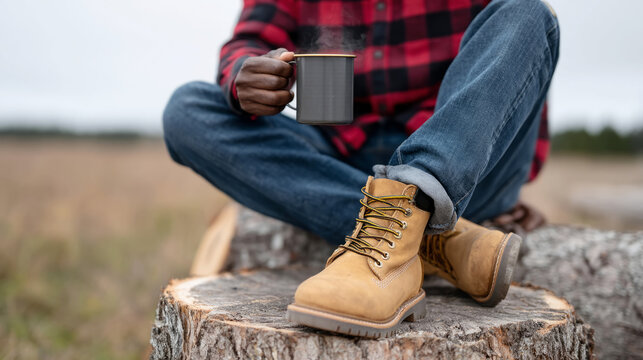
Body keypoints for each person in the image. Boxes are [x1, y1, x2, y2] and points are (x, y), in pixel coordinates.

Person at [163, 0, 559, 337]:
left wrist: (514, 171)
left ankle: (413, 207)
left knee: (528, 12)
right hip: (342, 152)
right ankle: (439, 238)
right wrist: (246, 73)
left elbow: (513, 49)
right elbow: (249, 40)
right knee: (188, 110)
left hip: (460, 161)